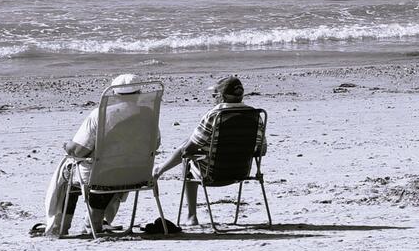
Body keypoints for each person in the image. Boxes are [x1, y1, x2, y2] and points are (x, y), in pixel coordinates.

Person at [41, 72, 162, 237]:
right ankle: (95, 220)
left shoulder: (100, 114)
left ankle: (61, 226)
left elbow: (79, 151)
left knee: (67, 171)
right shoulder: (149, 115)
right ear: (140, 94)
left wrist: (67, 146)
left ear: (114, 94)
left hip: (102, 175)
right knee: (112, 168)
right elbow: (155, 144)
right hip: (136, 174)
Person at [156, 74, 267, 224]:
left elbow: (187, 151)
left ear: (221, 96)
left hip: (213, 173)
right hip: (241, 171)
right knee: (189, 144)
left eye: (214, 95)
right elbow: (262, 151)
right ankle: (160, 170)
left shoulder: (215, 115)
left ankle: (191, 216)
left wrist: (200, 151)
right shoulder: (255, 115)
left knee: (187, 160)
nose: (212, 99)